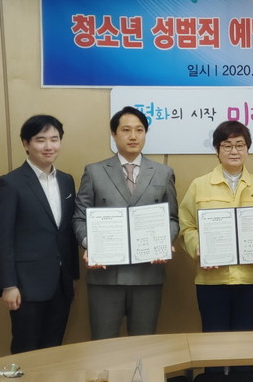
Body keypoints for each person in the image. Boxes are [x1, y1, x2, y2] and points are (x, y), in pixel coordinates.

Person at [73, 106, 179, 339]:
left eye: (139, 130)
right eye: (126, 130)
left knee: (144, 345)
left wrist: (164, 241)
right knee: (103, 344)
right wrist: (91, 244)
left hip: (148, 274)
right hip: (105, 275)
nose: (133, 136)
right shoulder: (94, 171)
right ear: (114, 134)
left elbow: (172, 218)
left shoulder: (163, 173)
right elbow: (80, 217)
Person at [179, 121, 253, 372]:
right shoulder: (199, 186)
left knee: (245, 348)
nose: (234, 151)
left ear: (248, 149)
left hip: (251, 279)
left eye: (240, 145)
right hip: (211, 279)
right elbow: (186, 226)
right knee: (213, 348)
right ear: (217, 150)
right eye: (227, 145)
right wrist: (198, 247)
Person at [0, 114, 79, 354]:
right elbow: (1, 239)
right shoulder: (10, 183)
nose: (49, 146)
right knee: (26, 350)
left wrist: (72, 277)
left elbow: (66, 232)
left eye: (54, 139)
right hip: (26, 286)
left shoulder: (66, 181)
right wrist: (8, 285)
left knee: (54, 349)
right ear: (26, 143)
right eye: (41, 140)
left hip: (61, 284)